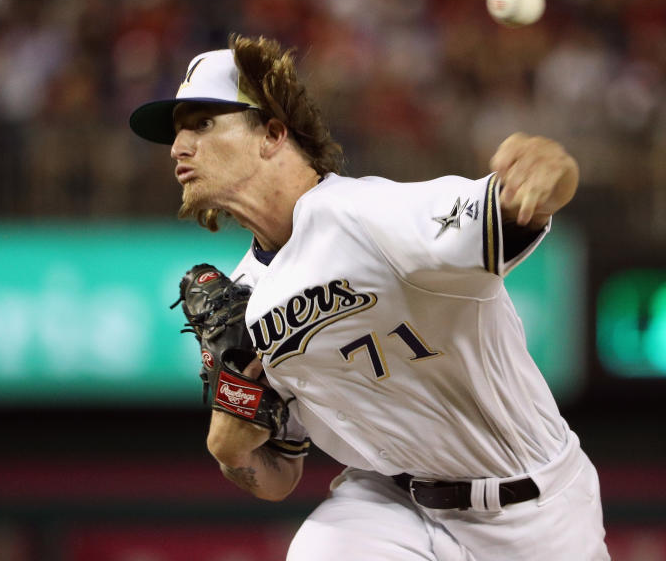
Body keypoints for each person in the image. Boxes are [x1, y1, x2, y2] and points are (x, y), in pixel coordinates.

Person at [130, 35, 609, 560]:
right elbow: (277, 478)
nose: (178, 147)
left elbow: (517, 205)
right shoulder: (244, 297)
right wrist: (228, 432)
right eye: (176, 131)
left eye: (202, 123)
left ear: (271, 133)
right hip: (390, 506)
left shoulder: (371, 216)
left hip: (534, 507)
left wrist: (550, 169)